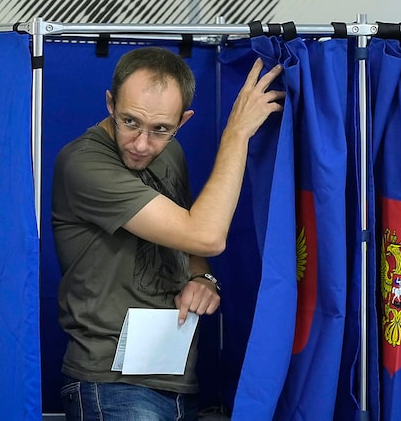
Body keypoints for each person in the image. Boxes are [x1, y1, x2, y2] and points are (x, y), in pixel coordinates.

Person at [52, 46, 284, 420]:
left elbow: (187, 235)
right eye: (130, 122)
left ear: (183, 121)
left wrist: (201, 275)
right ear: (110, 103)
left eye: (160, 129)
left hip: (176, 379)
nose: (142, 144)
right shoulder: (83, 163)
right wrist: (237, 134)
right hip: (110, 384)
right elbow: (206, 234)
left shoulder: (169, 152)